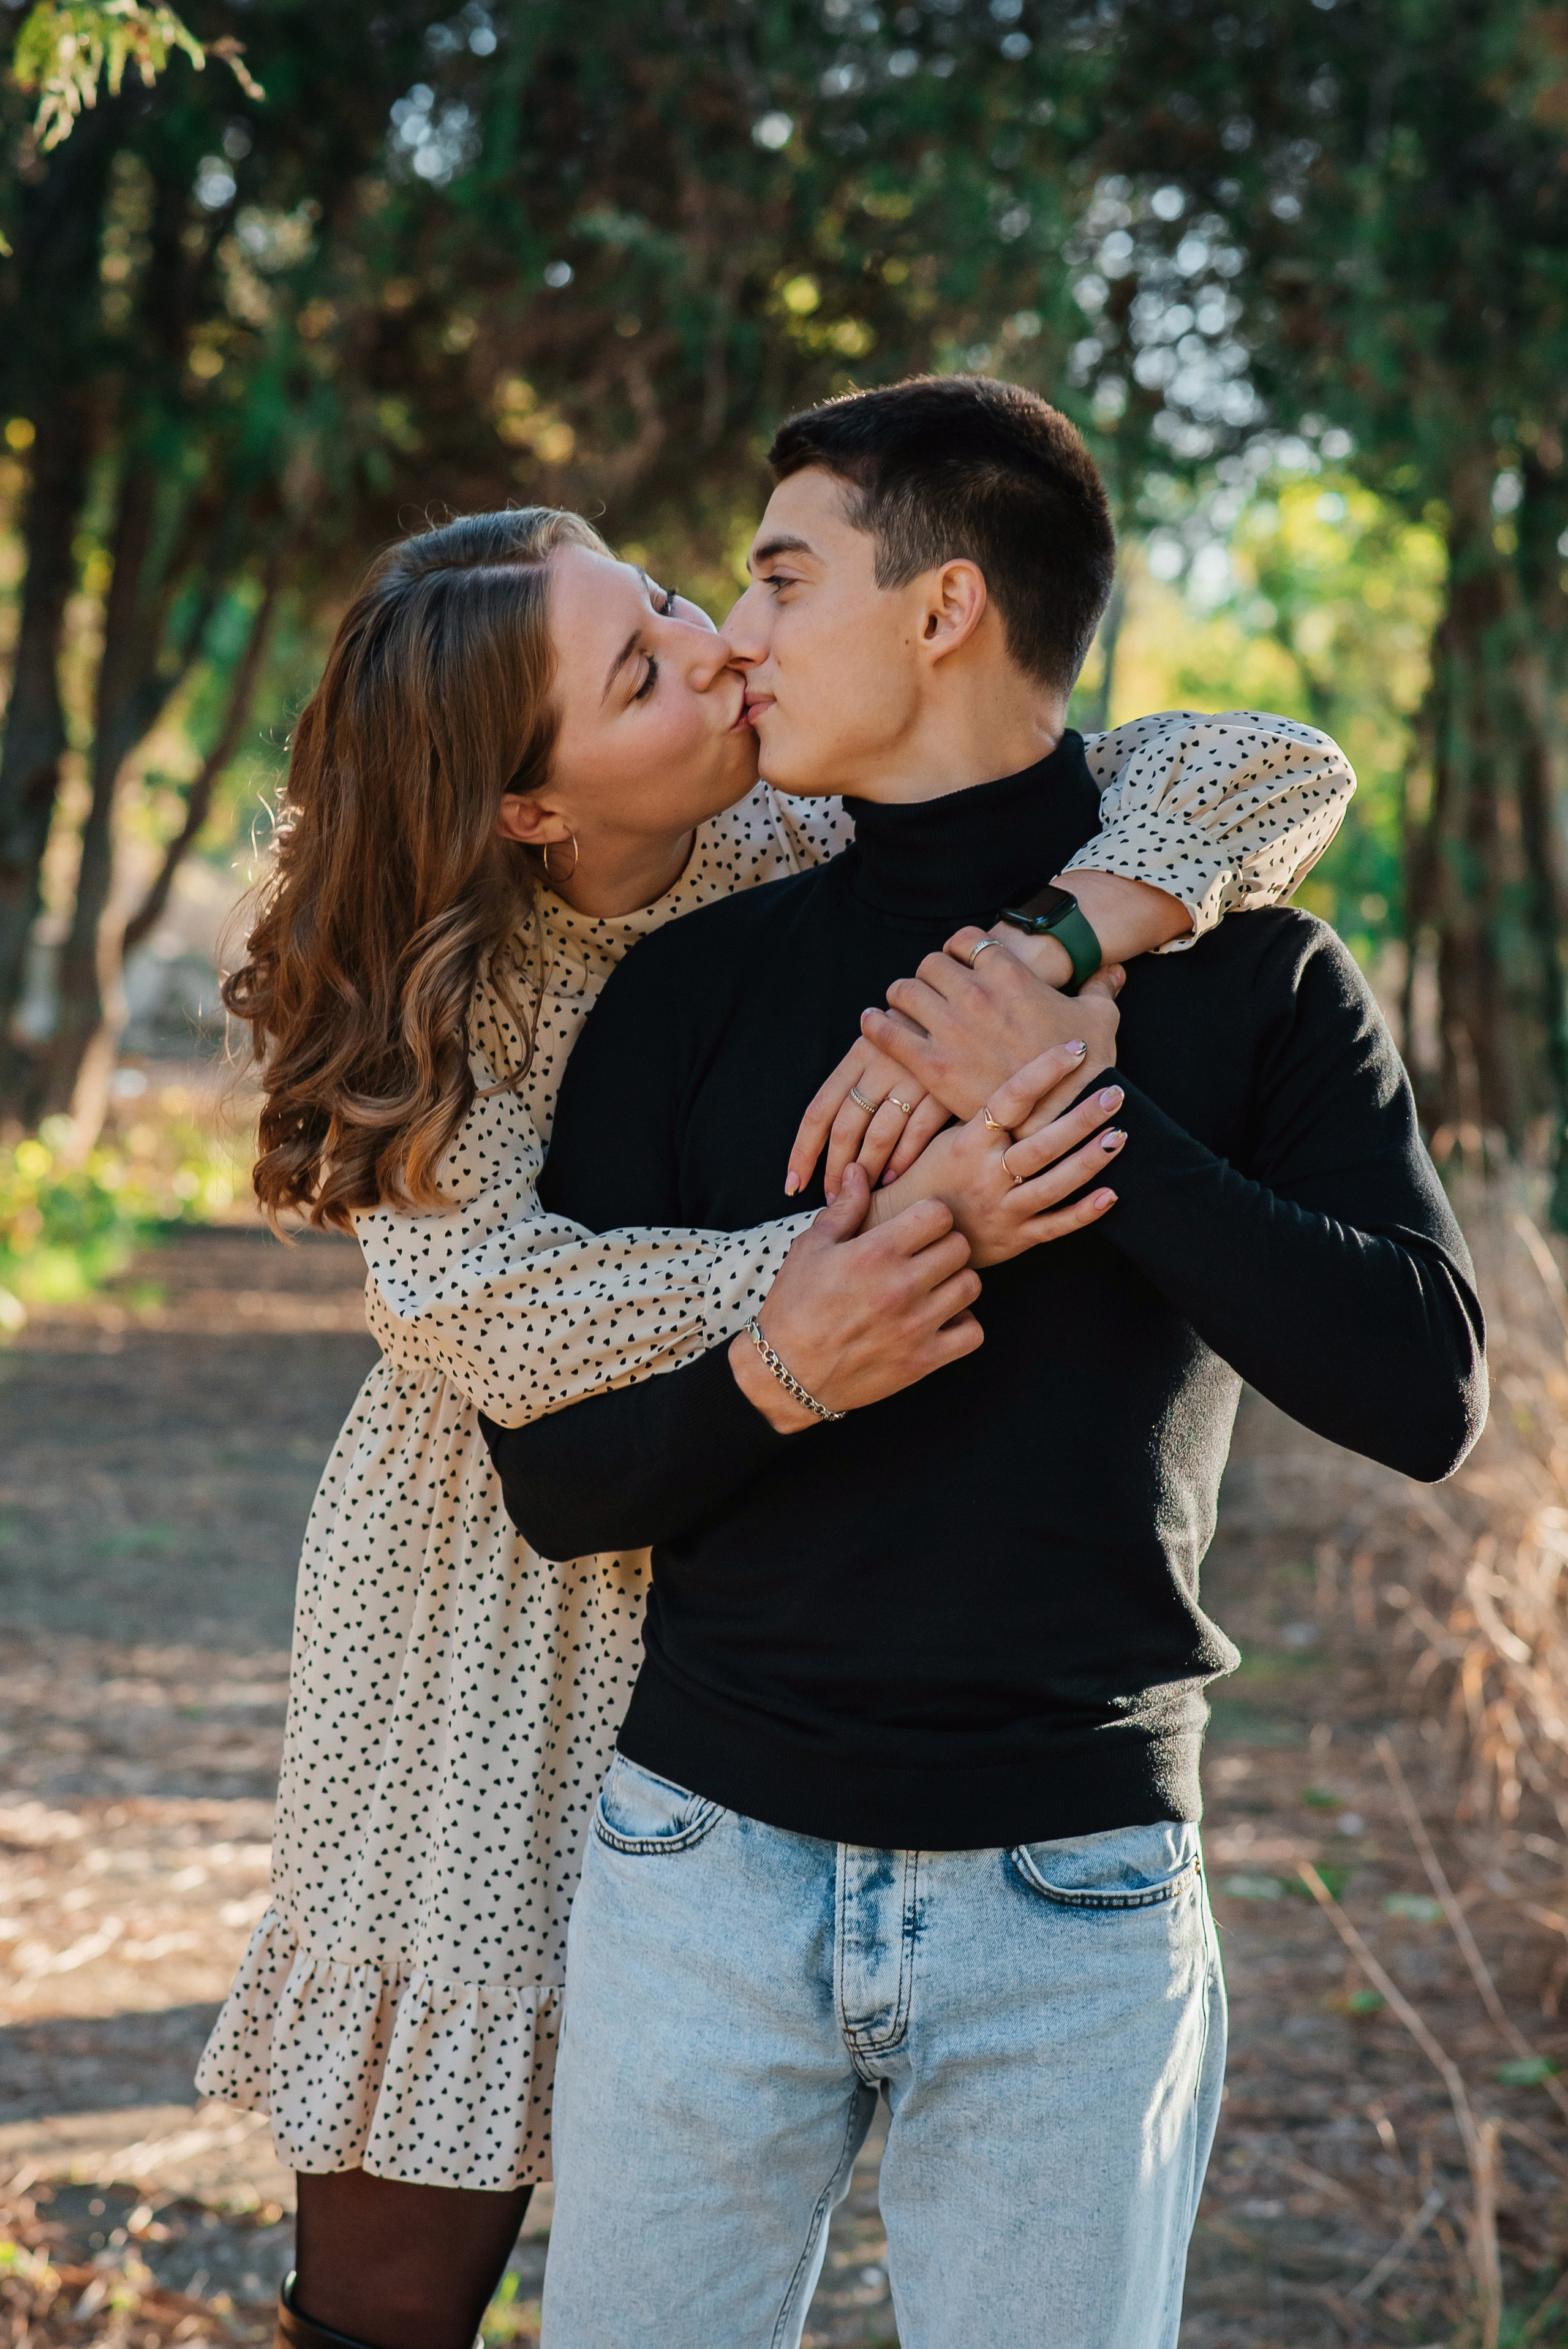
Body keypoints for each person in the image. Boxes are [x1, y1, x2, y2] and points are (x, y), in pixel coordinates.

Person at [197, 491, 1358, 2349]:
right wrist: (886, 1240)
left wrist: (1058, 939)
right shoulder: (452, 986)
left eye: (672, 597)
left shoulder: (808, 823)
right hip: (487, 1618)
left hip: (765, 1608)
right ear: (531, 804)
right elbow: (482, 1308)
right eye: (644, 666)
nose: (722, 645)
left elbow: (1272, 763)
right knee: (402, 2262)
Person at [482, 377, 1488, 2349]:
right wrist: (785, 1363)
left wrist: (1091, 1119)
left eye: (781, 574)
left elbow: (1427, 1387)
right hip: (702, 1863)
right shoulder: (694, 980)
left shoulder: (1252, 972)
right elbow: (556, 1474)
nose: (739, 633)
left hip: (1079, 1896)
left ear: (943, 608)